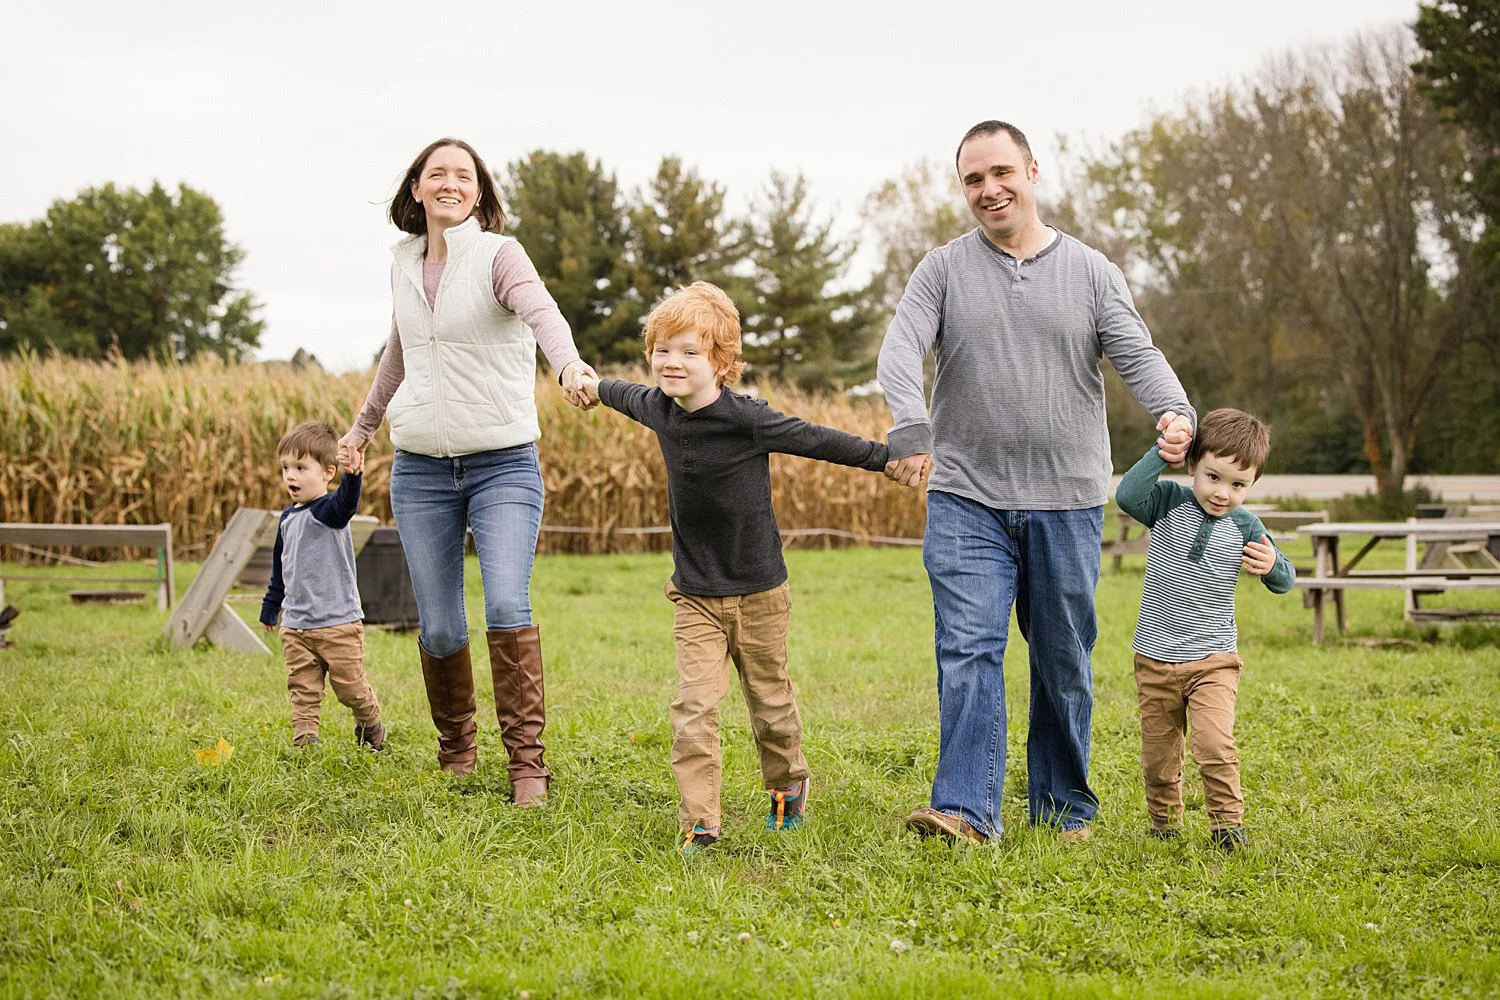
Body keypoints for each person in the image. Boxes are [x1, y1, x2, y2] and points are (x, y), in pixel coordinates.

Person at [877, 120, 1197, 844]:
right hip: (967, 497)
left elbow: (1136, 353)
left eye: (1000, 173)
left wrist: (1176, 410)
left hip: (1068, 501)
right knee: (967, 647)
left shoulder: (1090, 271)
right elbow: (899, 352)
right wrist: (910, 423)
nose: (988, 190)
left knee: (1062, 661)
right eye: (972, 180)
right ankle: (964, 810)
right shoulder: (942, 270)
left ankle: (1062, 809)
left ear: (1032, 170)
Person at [572, 282, 903, 856]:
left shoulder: (748, 419)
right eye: (662, 349)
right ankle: (701, 824)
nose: (672, 362)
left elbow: (818, 439)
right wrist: (581, 382)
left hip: (759, 592)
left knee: (771, 703)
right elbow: (611, 390)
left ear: (721, 363)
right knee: (694, 707)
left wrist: (887, 458)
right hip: (695, 593)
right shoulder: (657, 407)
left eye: (689, 352)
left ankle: (786, 791)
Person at [338, 137, 596, 806]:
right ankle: (457, 750)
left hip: (503, 465)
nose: (450, 183)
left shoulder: (498, 256)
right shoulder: (403, 266)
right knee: (442, 626)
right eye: (437, 174)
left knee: (508, 604)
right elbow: (398, 353)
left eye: (464, 175)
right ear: (417, 189)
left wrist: (567, 364)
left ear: (478, 193)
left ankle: (527, 768)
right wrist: (362, 429)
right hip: (420, 472)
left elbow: (544, 313)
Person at [1115, 408, 1294, 851]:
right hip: (1154, 658)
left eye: (1238, 485)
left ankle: (1228, 828)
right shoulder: (1168, 502)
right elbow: (1127, 495)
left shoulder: (1246, 526)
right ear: (1193, 464)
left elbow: (1285, 578)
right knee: (1159, 758)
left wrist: (1273, 566)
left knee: (1214, 745)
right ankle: (1163, 826)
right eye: (1213, 477)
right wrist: (1165, 452)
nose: (1223, 493)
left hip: (1214, 661)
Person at [260, 421, 385, 751]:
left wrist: (354, 476)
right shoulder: (287, 520)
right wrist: (271, 607)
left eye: (301, 468)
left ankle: (370, 722)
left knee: (350, 689)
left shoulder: (329, 511)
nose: (291, 476)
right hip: (297, 626)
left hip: (337, 624)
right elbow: (280, 569)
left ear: (328, 473)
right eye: (286, 467)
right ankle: (305, 741)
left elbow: (347, 502)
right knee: (303, 687)